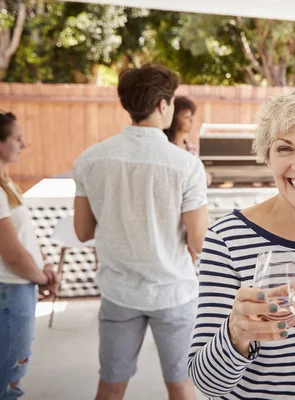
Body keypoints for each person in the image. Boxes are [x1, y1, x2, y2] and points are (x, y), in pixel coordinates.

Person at [187, 84, 295, 399]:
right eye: (285, 148)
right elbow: (205, 382)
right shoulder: (227, 239)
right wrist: (236, 332)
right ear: (268, 155)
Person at [72, 64, 209, 400]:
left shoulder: (90, 159)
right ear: (163, 105)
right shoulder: (186, 166)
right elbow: (199, 241)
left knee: (110, 387)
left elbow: (82, 231)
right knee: (180, 386)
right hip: (174, 291)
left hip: (119, 291)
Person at [0, 111, 58, 400]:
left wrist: (44, 268)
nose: (23, 145)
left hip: (20, 287)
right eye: (17, 138)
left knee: (14, 367)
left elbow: (26, 237)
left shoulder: (7, 185)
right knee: (9, 374)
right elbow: (11, 252)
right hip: (10, 289)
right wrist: (42, 278)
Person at [164, 96, 212, 186]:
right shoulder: (166, 148)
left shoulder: (192, 149)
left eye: (191, 117)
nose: (191, 121)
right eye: (186, 117)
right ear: (174, 119)